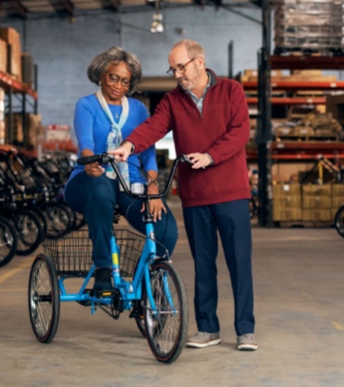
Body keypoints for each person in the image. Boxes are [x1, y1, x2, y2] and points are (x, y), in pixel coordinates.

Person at [109, 39, 256, 351]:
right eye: (172, 69)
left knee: (239, 262)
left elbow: (240, 131)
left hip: (231, 193)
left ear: (199, 62)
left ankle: (245, 330)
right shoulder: (173, 101)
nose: (176, 74)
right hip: (195, 196)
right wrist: (129, 146)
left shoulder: (232, 90)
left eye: (181, 67)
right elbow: (153, 128)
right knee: (204, 264)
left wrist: (210, 156)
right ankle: (208, 329)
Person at [64, 46, 178, 295]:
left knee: (166, 231)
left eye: (125, 81)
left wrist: (153, 186)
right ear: (101, 75)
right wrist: (90, 162)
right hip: (89, 180)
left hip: (130, 183)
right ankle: (103, 269)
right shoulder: (87, 105)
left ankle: (148, 281)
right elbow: (86, 143)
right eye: (113, 77)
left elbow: (147, 151)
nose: (118, 85)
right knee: (103, 187)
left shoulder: (138, 110)